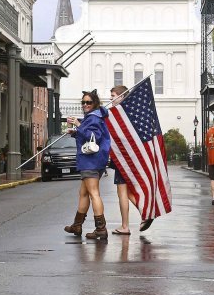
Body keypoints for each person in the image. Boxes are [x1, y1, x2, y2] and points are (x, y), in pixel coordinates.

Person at [63, 89, 111, 240]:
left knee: (93, 193)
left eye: (88, 102)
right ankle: (77, 225)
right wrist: (76, 133)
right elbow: (89, 136)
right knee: (83, 193)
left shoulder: (93, 117)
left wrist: (78, 124)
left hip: (91, 160)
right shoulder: (94, 117)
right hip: (92, 160)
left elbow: (93, 136)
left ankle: (101, 229)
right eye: (83, 102)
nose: (85, 104)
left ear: (95, 103)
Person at [107, 85, 153, 234]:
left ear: (121, 96)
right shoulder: (130, 112)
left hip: (123, 159)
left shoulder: (119, 114)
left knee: (122, 193)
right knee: (127, 192)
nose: (110, 98)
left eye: (113, 95)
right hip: (128, 159)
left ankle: (126, 225)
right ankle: (145, 213)